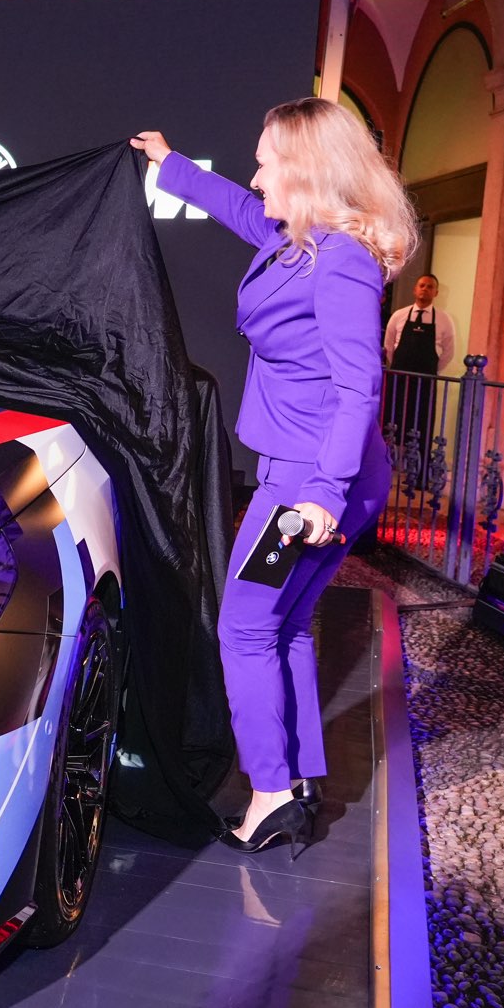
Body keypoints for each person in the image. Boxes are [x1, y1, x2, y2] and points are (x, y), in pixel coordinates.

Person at [134, 101, 416, 855]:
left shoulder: (340, 261)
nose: (256, 178)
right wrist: (170, 164)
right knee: (282, 624)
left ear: (306, 170)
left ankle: (268, 795)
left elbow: (360, 386)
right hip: (321, 473)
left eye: (266, 164)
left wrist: (321, 495)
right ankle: (297, 778)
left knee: (244, 627)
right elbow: (238, 209)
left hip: (308, 483)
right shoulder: (296, 239)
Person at [382, 272, 456, 470]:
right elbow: (389, 346)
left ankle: (419, 472)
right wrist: (399, 366)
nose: (425, 289)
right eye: (422, 285)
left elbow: (448, 352)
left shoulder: (444, 320)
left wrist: (430, 370)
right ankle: (387, 465)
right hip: (399, 380)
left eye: (430, 287)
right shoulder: (398, 316)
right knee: (393, 419)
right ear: (415, 289)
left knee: (422, 421)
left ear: (436, 293)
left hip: (425, 383)